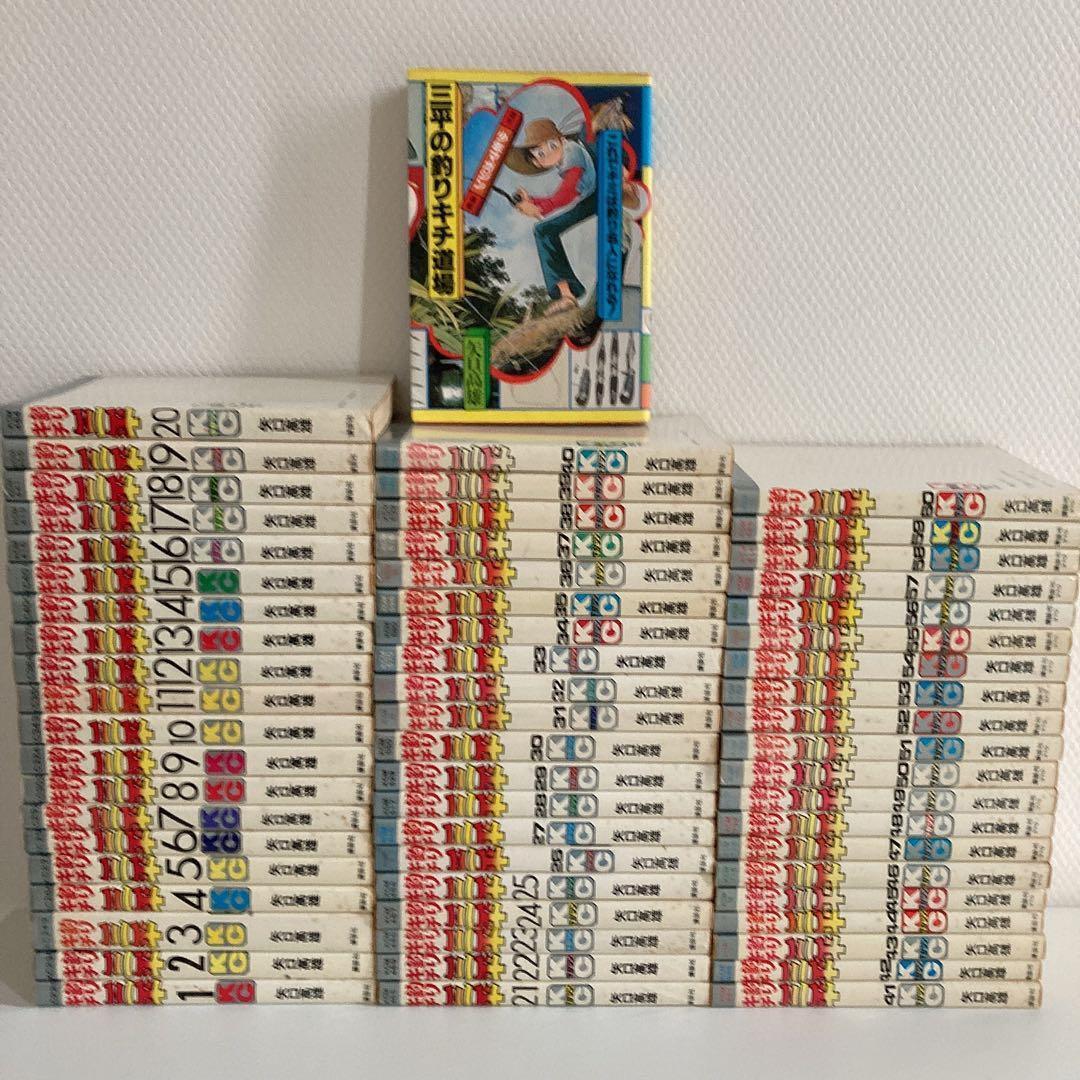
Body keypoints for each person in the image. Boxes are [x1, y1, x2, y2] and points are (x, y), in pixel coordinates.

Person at [505, 118, 596, 314]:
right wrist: (532, 202)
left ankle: (567, 296)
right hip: (590, 198)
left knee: (543, 231)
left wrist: (539, 209)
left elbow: (566, 194)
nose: (546, 155)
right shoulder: (565, 157)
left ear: (561, 140)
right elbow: (568, 193)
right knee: (544, 230)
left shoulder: (571, 150)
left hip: (597, 195)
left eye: (551, 146)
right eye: (539, 155)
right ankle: (567, 296)